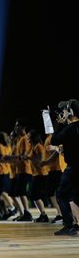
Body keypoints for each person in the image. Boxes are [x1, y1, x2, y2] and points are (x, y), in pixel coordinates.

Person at [49, 99, 79, 236]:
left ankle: (69, 225)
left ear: (70, 112)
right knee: (75, 196)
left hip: (73, 168)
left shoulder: (69, 129)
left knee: (61, 194)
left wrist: (60, 125)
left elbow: (54, 140)